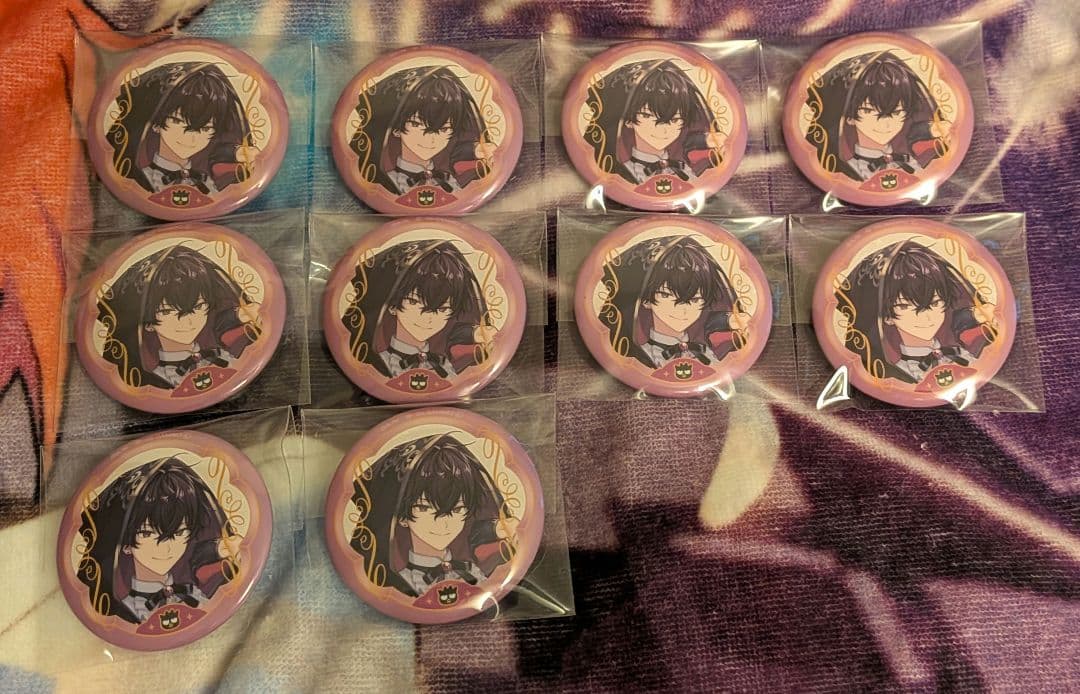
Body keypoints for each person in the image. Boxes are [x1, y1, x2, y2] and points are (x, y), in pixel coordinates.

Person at [75, 457, 241, 624]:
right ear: (125, 544)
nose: (166, 549)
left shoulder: (194, 594)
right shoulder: (122, 612)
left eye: (179, 532)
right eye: (147, 534)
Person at [349, 434, 516, 598]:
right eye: (425, 508)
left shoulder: (474, 572)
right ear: (402, 517)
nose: (443, 524)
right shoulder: (397, 583)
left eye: (458, 510)